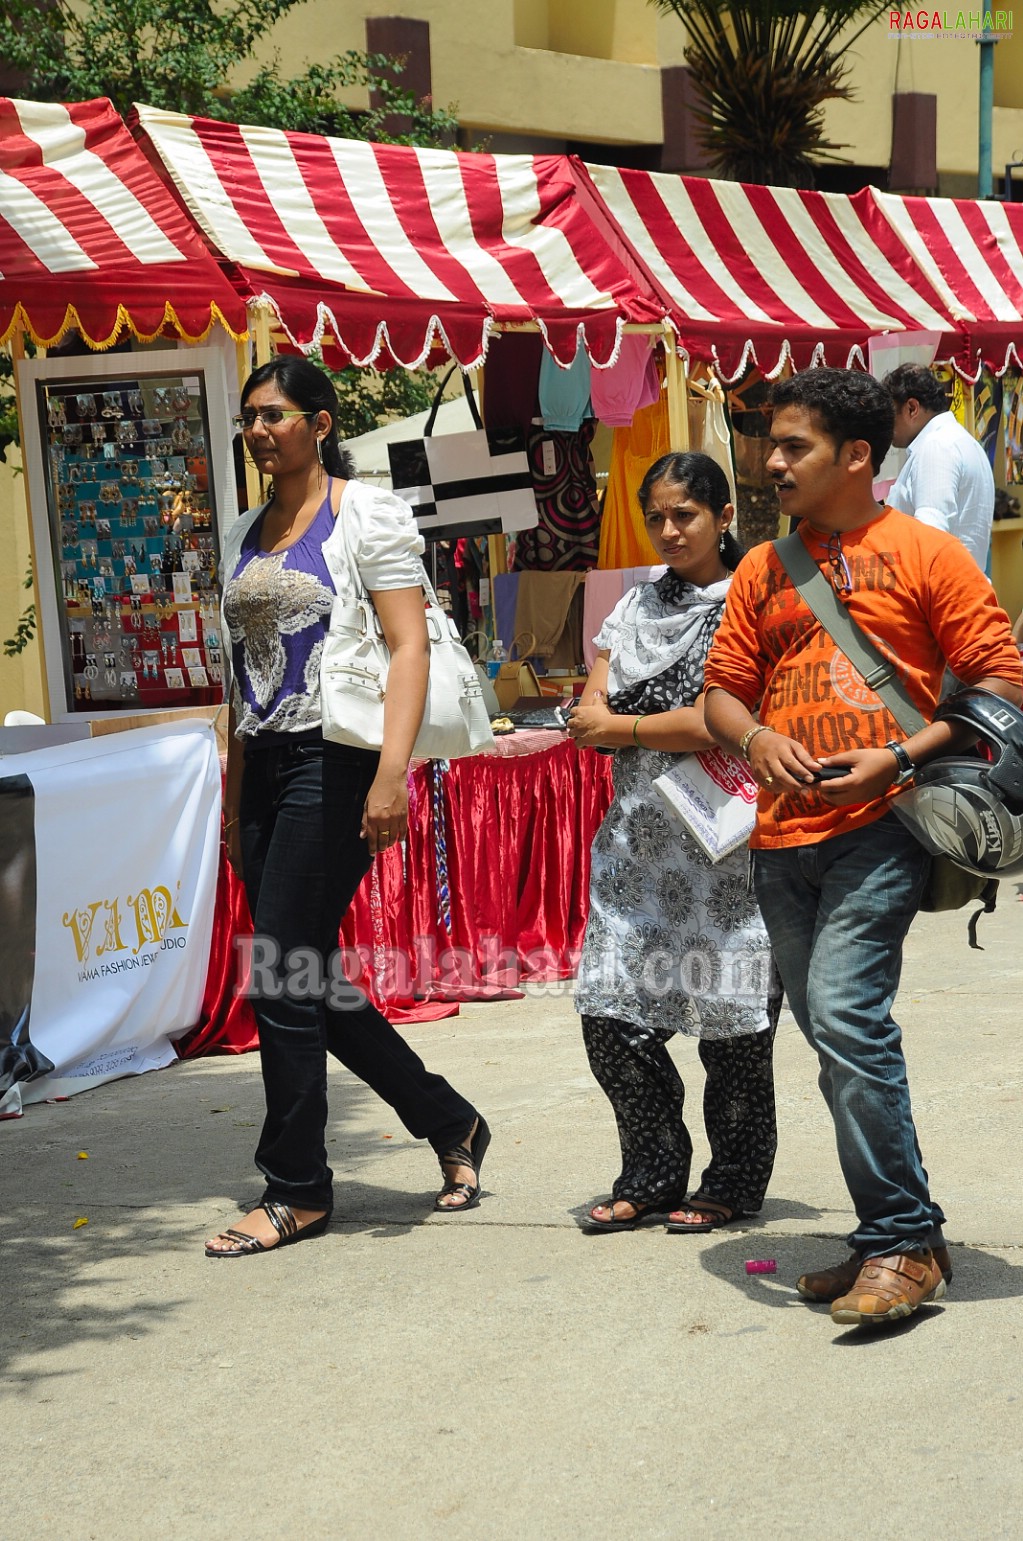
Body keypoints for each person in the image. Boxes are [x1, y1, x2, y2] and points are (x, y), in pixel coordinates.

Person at [702, 367, 1022, 1326]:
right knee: (837, 1039)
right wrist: (754, 736)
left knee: (846, 1021)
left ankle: (894, 1240)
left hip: (879, 828)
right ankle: (907, 1233)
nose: (769, 463)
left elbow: (999, 678)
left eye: (791, 446)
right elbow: (723, 688)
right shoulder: (762, 566)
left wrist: (896, 756)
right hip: (776, 837)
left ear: (855, 457)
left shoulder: (926, 554)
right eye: (768, 443)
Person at [206, 356, 489, 1257]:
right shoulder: (247, 530)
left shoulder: (362, 513)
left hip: (337, 759)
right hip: (266, 766)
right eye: (250, 416)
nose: (259, 430)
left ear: (321, 424)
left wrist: (389, 773)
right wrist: (232, 794)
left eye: (276, 415)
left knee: (279, 970)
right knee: (308, 978)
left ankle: (296, 1185)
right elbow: (240, 680)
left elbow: (408, 648)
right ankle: (449, 1120)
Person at [567, 451, 780, 1234]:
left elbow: (716, 718)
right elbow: (589, 699)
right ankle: (652, 1172)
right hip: (636, 851)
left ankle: (731, 1180)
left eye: (684, 514)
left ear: (724, 516)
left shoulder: (755, 599)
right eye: (655, 514)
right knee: (608, 1012)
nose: (668, 529)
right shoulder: (631, 608)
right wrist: (613, 717)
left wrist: (622, 723)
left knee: (733, 1032)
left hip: (728, 851)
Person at [884, 363, 995, 571]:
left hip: (940, 597)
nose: (886, 425)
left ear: (911, 408)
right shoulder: (961, 442)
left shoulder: (937, 447)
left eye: (890, 415)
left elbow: (930, 536)